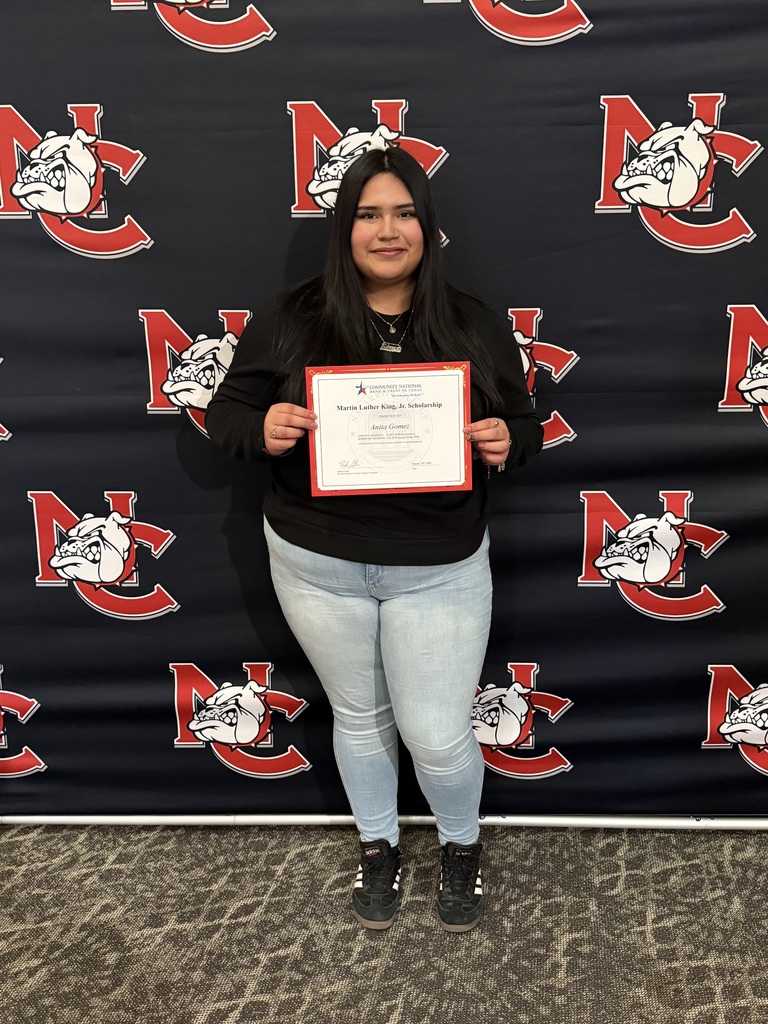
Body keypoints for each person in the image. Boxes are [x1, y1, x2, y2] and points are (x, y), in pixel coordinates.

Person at [206, 147, 543, 932]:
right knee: (358, 716)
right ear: (343, 227)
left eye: (403, 213)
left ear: (426, 226)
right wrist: (265, 428)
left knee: (434, 731)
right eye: (367, 214)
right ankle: (378, 845)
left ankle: (461, 847)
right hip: (316, 560)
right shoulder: (293, 317)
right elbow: (226, 416)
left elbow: (524, 426)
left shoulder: (471, 320)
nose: (387, 231)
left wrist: (505, 440)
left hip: (438, 566)